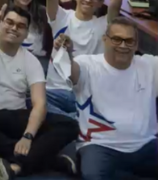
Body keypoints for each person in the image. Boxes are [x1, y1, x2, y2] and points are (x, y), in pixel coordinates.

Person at [0, 6, 77, 180]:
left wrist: (28, 136)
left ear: (26, 32)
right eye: (9, 22)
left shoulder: (32, 61)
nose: (14, 28)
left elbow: (40, 104)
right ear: (0, 24)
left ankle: (17, 165)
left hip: (14, 117)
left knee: (70, 125)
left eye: (21, 26)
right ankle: (49, 161)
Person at [58, 17, 158, 180]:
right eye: (117, 39)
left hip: (145, 145)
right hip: (100, 145)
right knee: (93, 176)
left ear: (136, 44)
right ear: (105, 39)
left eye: (129, 41)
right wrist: (67, 53)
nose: (123, 46)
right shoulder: (88, 64)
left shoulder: (149, 66)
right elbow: (72, 72)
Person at [43, 0, 127, 118]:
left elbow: (116, 3)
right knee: (31, 98)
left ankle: (68, 121)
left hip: (84, 93)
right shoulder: (62, 17)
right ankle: (71, 121)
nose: (88, 0)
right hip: (54, 90)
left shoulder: (104, 25)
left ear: (99, 3)